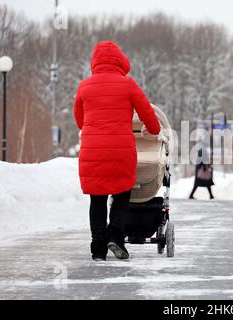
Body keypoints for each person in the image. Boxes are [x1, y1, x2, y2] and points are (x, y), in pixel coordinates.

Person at [74, 41, 161, 261]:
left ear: (95, 62)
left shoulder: (84, 86)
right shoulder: (128, 85)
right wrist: (152, 130)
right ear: (120, 61)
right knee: (122, 194)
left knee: (97, 198)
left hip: (92, 152)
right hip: (120, 152)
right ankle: (115, 236)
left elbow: (79, 120)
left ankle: (97, 247)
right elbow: (150, 118)